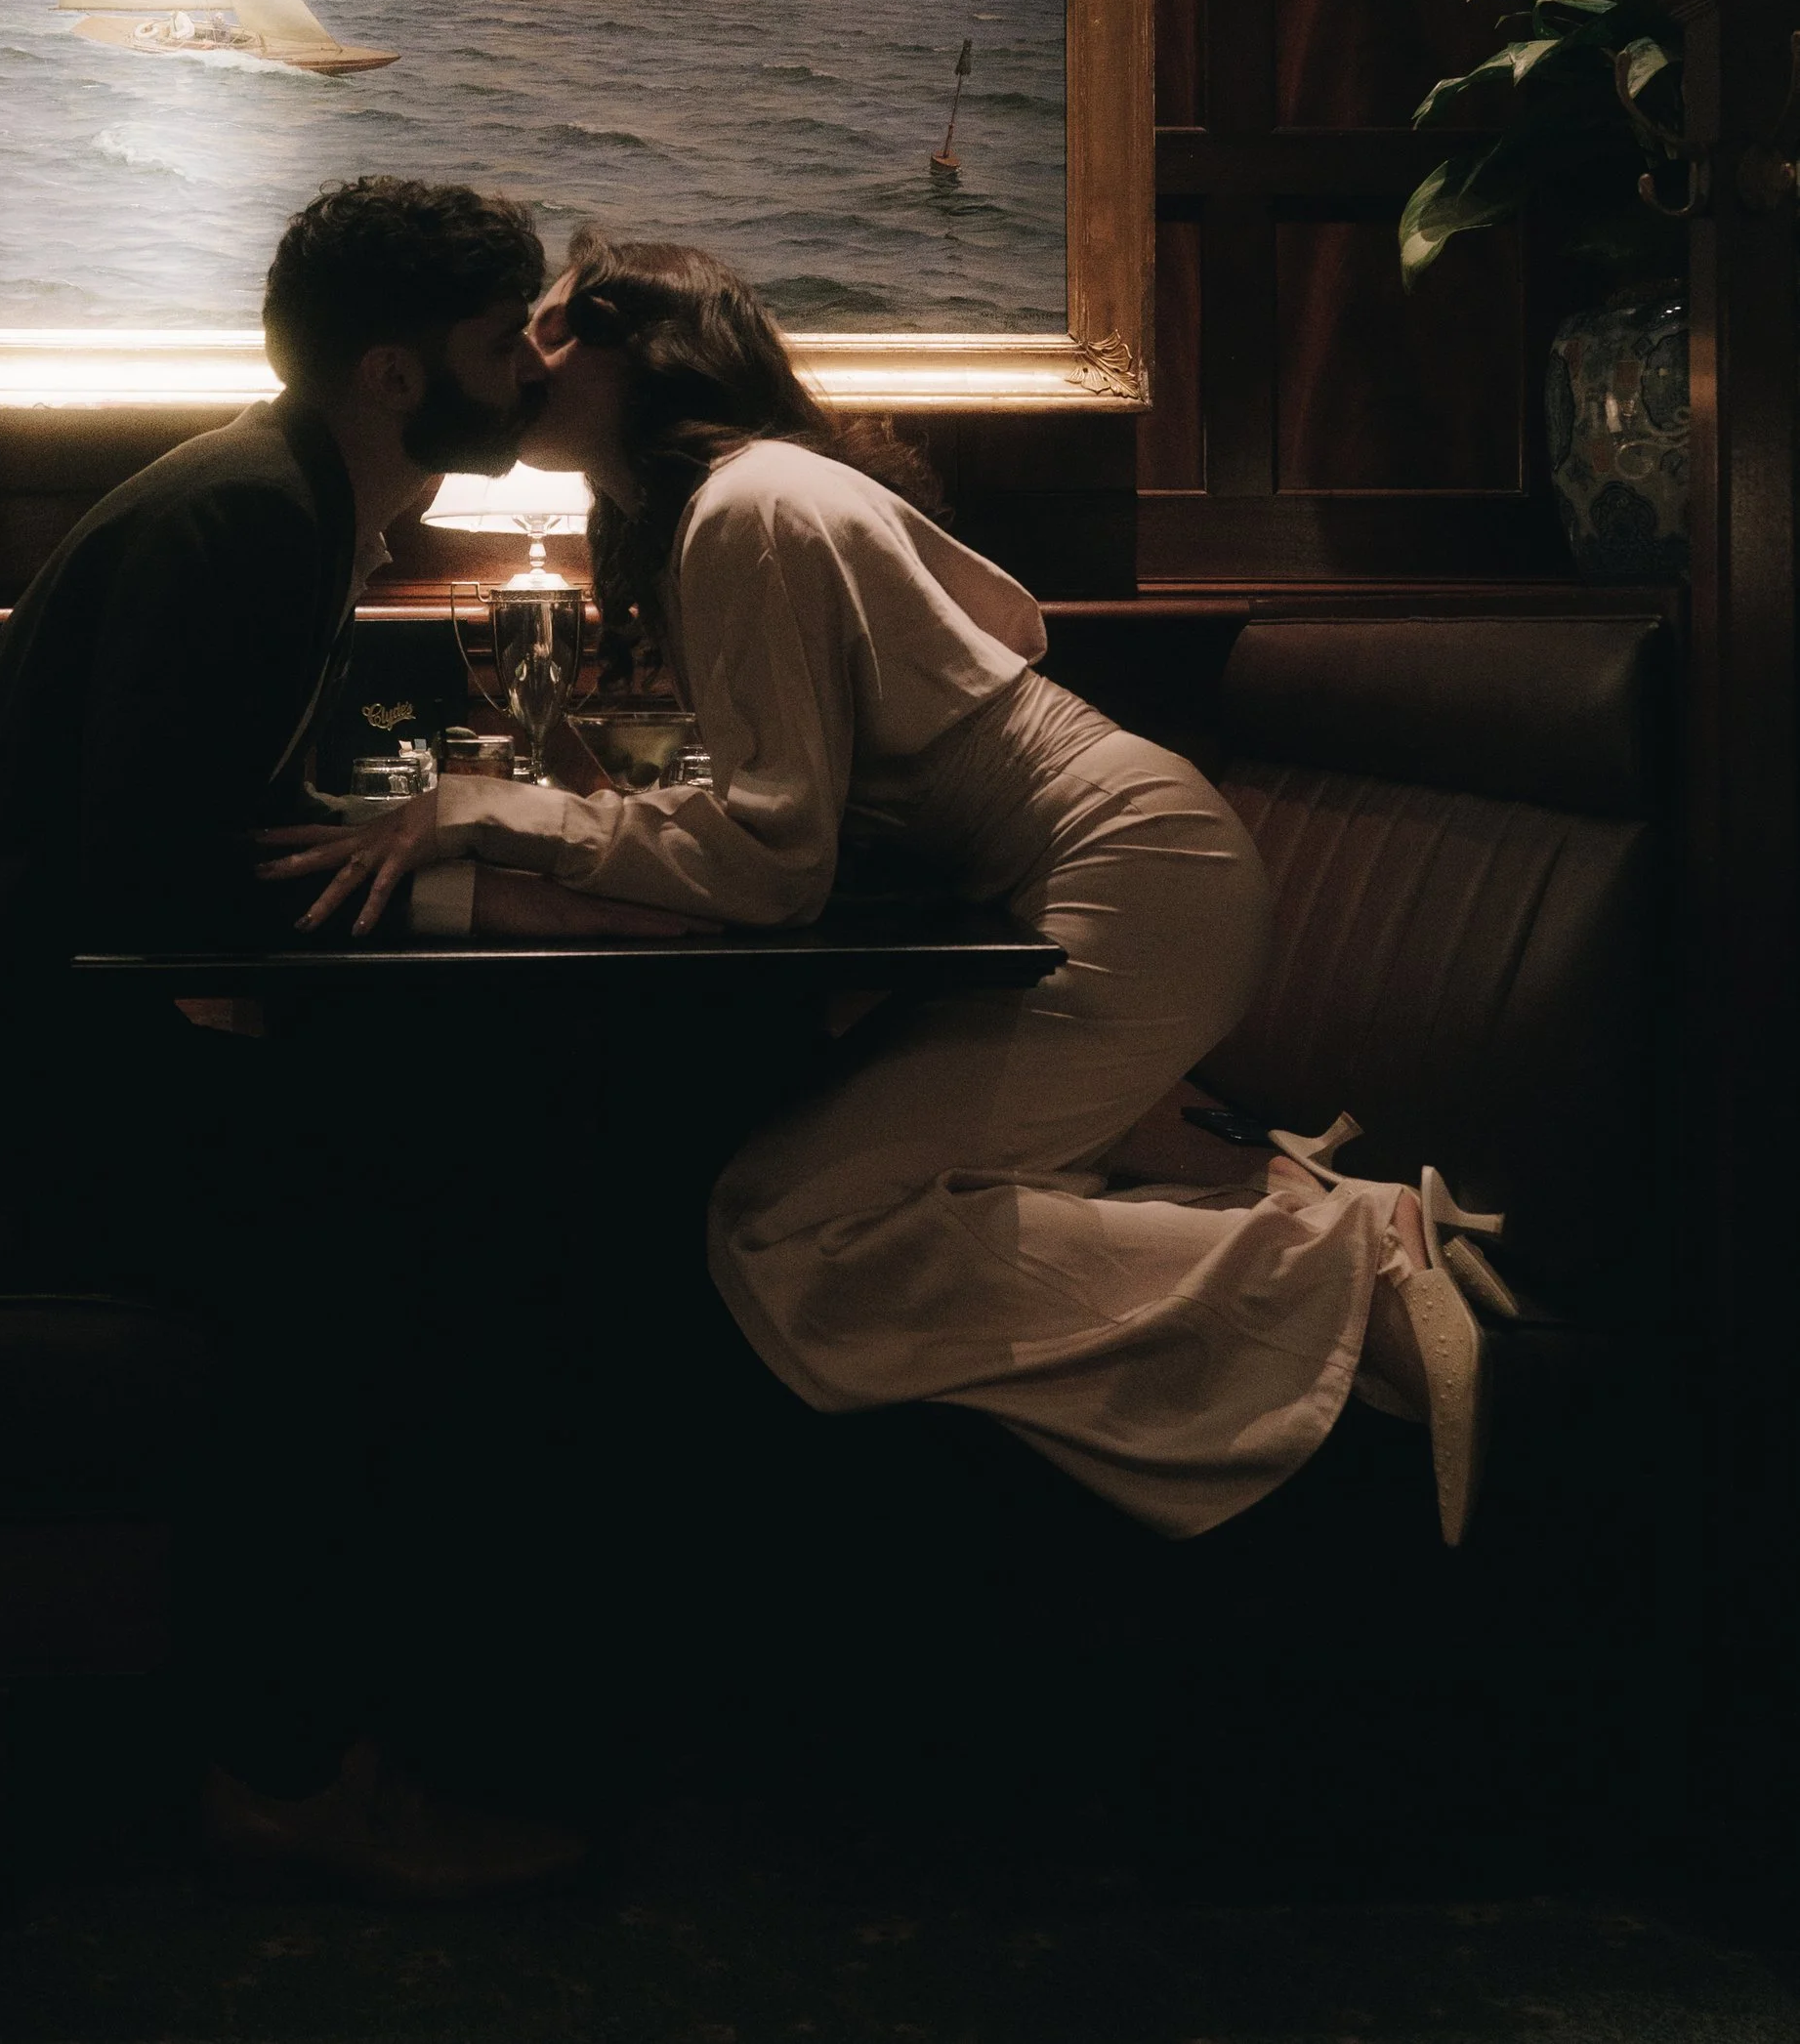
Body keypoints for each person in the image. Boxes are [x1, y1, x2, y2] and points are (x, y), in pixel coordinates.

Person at [262, 229, 1511, 1553]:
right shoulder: (747, 497)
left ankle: (1348, 1267)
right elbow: (803, 817)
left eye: (552, 332)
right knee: (798, 1202)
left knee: (786, 1226)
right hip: (1124, 874)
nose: (518, 365)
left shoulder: (750, 506)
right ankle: (1296, 1226)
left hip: (1135, 892)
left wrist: (494, 807)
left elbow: (772, 858)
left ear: (641, 352)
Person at [0, 177, 691, 1899]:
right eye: (505, 345)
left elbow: (190, 859)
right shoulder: (248, 520)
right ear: (403, 375)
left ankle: (399, 1724)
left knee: (439, 1195)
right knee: (385, 1255)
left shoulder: (279, 498)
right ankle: (288, 1772)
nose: (532, 373)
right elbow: (150, 886)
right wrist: (453, 884)